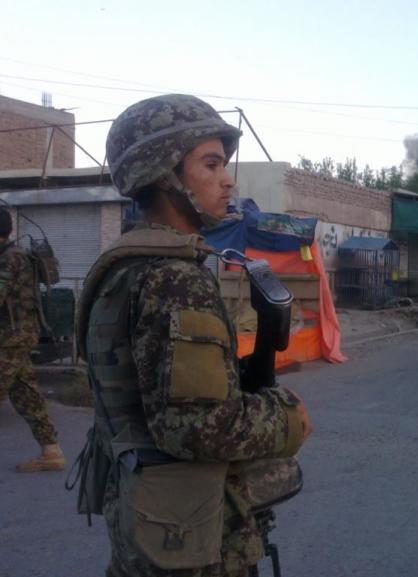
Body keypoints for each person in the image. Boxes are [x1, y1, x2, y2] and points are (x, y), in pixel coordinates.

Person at [78, 94, 312, 577]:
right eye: (211, 164)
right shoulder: (174, 278)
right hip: (189, 541)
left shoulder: (123, 265)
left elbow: (152, 390)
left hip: (145, 523)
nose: (227, 179)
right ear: (164, 175)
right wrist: (286, 417)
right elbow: (197, 427)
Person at [0, 208, 65, 473]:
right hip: (19, 336)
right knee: (27, 395)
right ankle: (51, 452)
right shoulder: (15, 256)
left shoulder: (9, 260)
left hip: (9, 339)